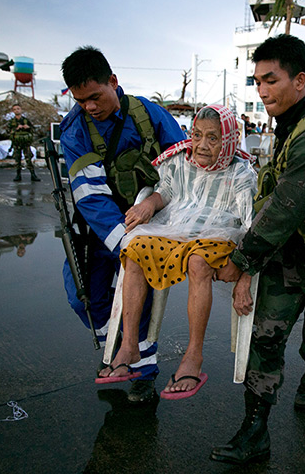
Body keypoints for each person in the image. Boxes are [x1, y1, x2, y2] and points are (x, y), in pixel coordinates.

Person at [210, 34, 305, 465]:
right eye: (257, 80)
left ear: (299, 80)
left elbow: (284, 208)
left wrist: (240, 262)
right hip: (285, 259)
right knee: (265, 339)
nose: (262, 91)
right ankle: (255, 432)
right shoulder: (288, 125)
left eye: (271, 80)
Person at [97, 105, 256, 399]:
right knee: (135, 249)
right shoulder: (179, 160)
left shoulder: (240, 172)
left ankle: (193, 356)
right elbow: (166, 191)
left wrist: (245, 275)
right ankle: (130, 345)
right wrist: (150, 204)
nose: (202, 145)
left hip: (219, 231)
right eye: (196, 135)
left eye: (213, 138)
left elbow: (248, 223)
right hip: (177, 226)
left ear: (229, 139)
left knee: (198, 262)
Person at [59, 46, 185, 402]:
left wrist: (152, 207)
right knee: (82, 295)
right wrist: (122, 243)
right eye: (81, 101)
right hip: (102, 228)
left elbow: (182, 172)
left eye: (96, 97)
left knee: (137, 293)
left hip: (154, 219)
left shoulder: (150, 115)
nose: (91, 107)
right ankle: (115, 348)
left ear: (113, 81)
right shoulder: (74, 131)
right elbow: (91, 196)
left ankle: (143, 370)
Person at [7, 104, 40, 182]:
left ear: (21, 110)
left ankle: (33, 175)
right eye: (15, 109)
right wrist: (16, 129)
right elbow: (8, 131)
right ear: (13, 111)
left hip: (26, 143)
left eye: (18, 109)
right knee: (17, 159)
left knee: (28, 159)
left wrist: (28, 127)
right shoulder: (12, 121)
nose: (16, 110)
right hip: (17, 143)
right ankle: (18, 175)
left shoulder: (26, 120)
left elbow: (33, 129)